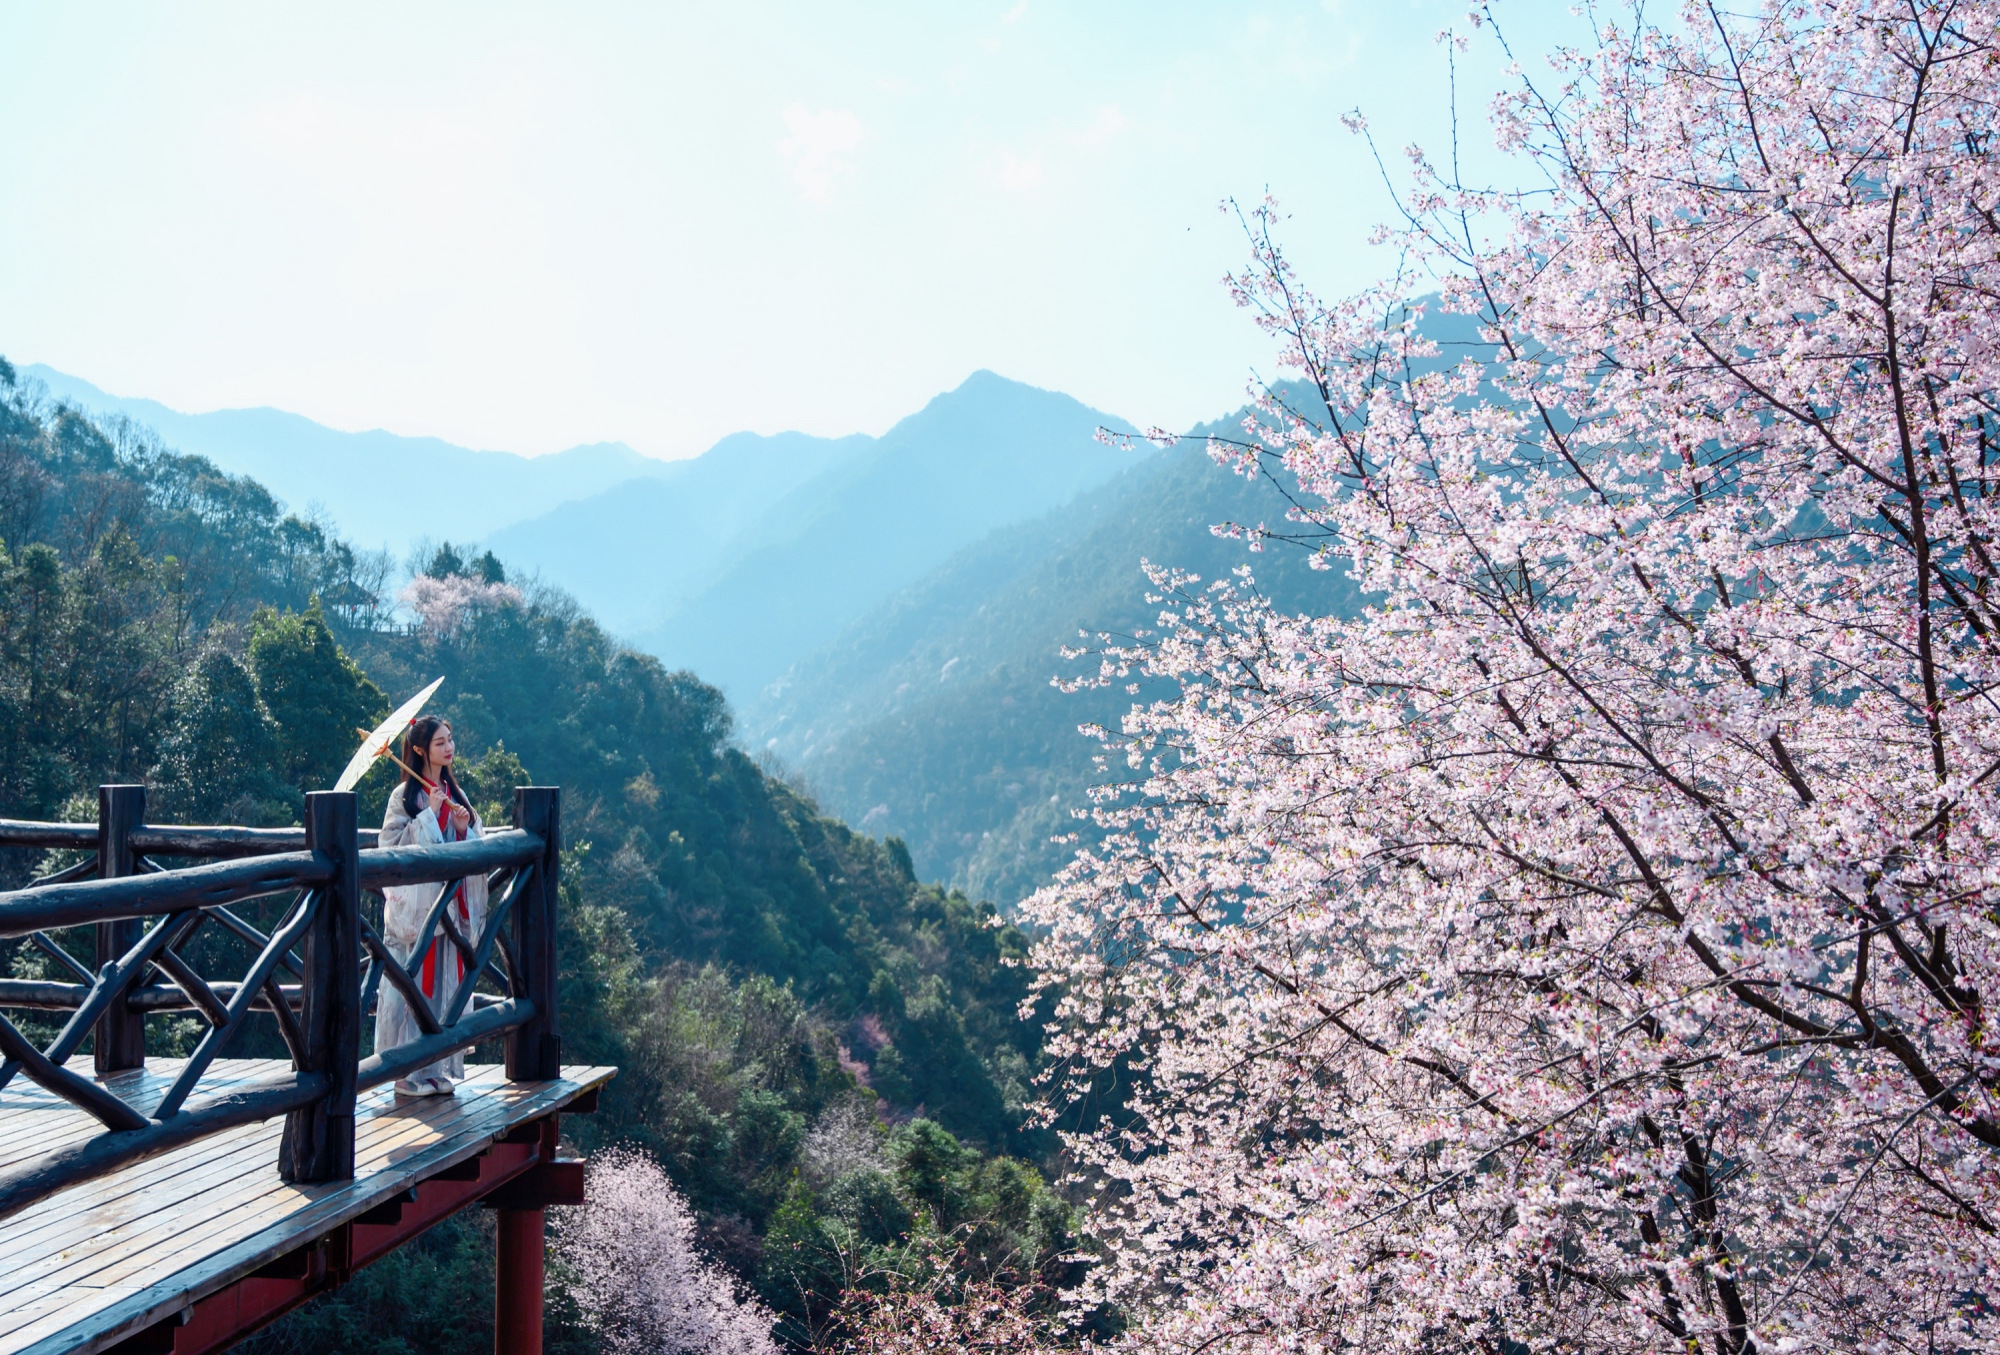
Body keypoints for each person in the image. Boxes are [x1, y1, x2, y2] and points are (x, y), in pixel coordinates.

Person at [374, 714, 488, 1097]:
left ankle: (434, 1067)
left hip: (448, 909)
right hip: (416, 912)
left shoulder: (455, 792)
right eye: (440, 742)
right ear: (421, 750)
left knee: (442, 987)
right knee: (410, 989)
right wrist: (426, 815)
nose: (449, 747)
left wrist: (461, 827)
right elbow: (390, 847)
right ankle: (405, 1073)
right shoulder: (403, 797)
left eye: (450, 739)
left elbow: (470, 842)